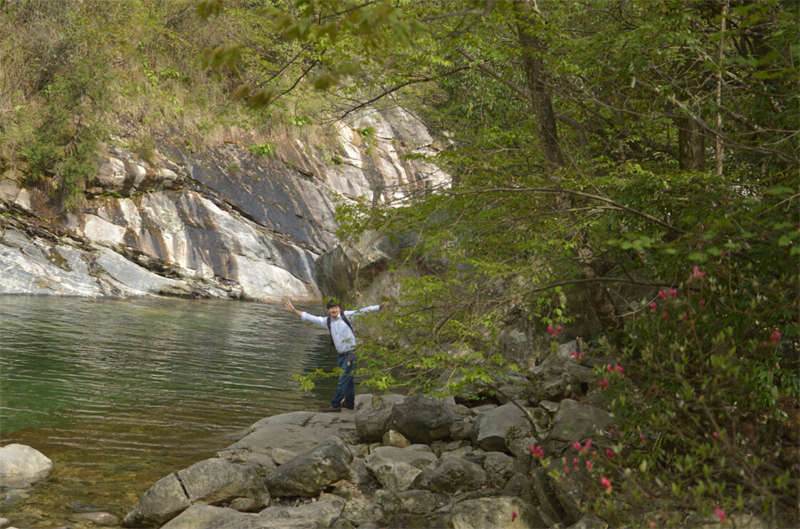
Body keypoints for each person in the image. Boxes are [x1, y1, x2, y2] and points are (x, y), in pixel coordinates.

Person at [284, 298, 388, 412]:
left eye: (335, 307)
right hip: (340, 355)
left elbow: (363, 311)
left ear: (339, 308)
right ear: (328, 310)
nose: (333, 310)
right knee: (348, 380)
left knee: (342, 379)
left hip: (350, 354)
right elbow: (310, 317)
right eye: (331, 308)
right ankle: (349, 403)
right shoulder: (327, 321)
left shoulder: (347, 316)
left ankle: (335, 405)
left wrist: (379, 307)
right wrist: (294, 310)